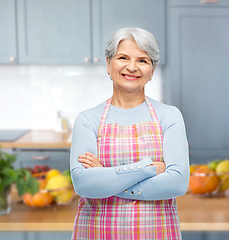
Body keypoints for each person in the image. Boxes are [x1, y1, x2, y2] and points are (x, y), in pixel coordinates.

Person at [70, 27, 189, 240]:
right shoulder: (87, 120)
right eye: (123, 57)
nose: (132, 67)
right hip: (97, 233)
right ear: (108, 64)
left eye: (142, 60)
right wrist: (145, 168)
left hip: (156, 233)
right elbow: (84, 184)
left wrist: (107, 179)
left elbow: (177, 183)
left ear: (152, 70)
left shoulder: (169, 116)